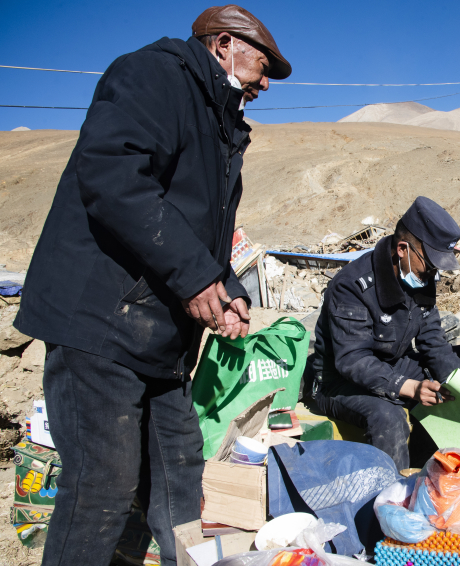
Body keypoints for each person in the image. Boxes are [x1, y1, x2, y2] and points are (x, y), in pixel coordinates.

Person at [13, 6, 290, 565]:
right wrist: (195, 276)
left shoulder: (220, 125)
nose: (264, 84)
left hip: (159, 338)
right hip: (101, 321)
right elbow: (113, 178)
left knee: (179, 475)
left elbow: (200, 230)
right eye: (262, 67)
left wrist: (227, 286)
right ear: (223, 45)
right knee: (101, 487)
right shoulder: (153, 75)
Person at [312, 197, 460, 470]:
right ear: (403, 249)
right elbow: (353, 360)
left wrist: (458, 385)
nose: (433, 274)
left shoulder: (420, 276)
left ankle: (429, 466)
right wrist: (411, 388)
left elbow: (432, 338)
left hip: (394, 364)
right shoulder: (351, 286)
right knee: (388, 418)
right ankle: (396, 488)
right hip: (340, 381)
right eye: (429, 265)